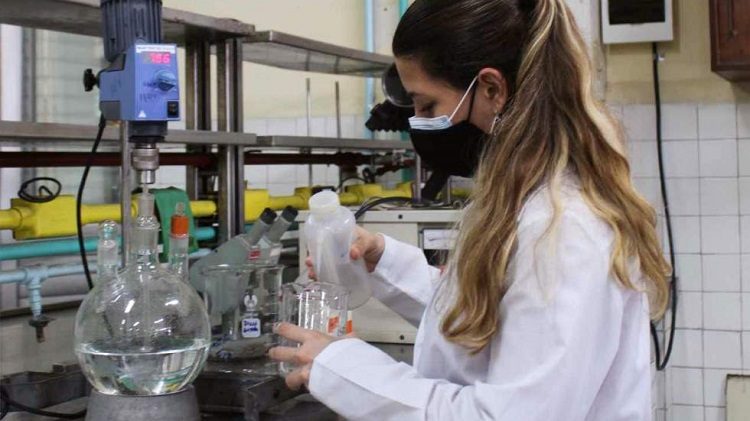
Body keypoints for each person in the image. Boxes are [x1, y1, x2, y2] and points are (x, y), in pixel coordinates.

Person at [269, 0, 670, 419]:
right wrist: (383, 262)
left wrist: (342, 366)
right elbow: (487, 318)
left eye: (427, 106)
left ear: (492, 89)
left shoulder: (563, 229)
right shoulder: (524, 198)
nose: (420, 123)